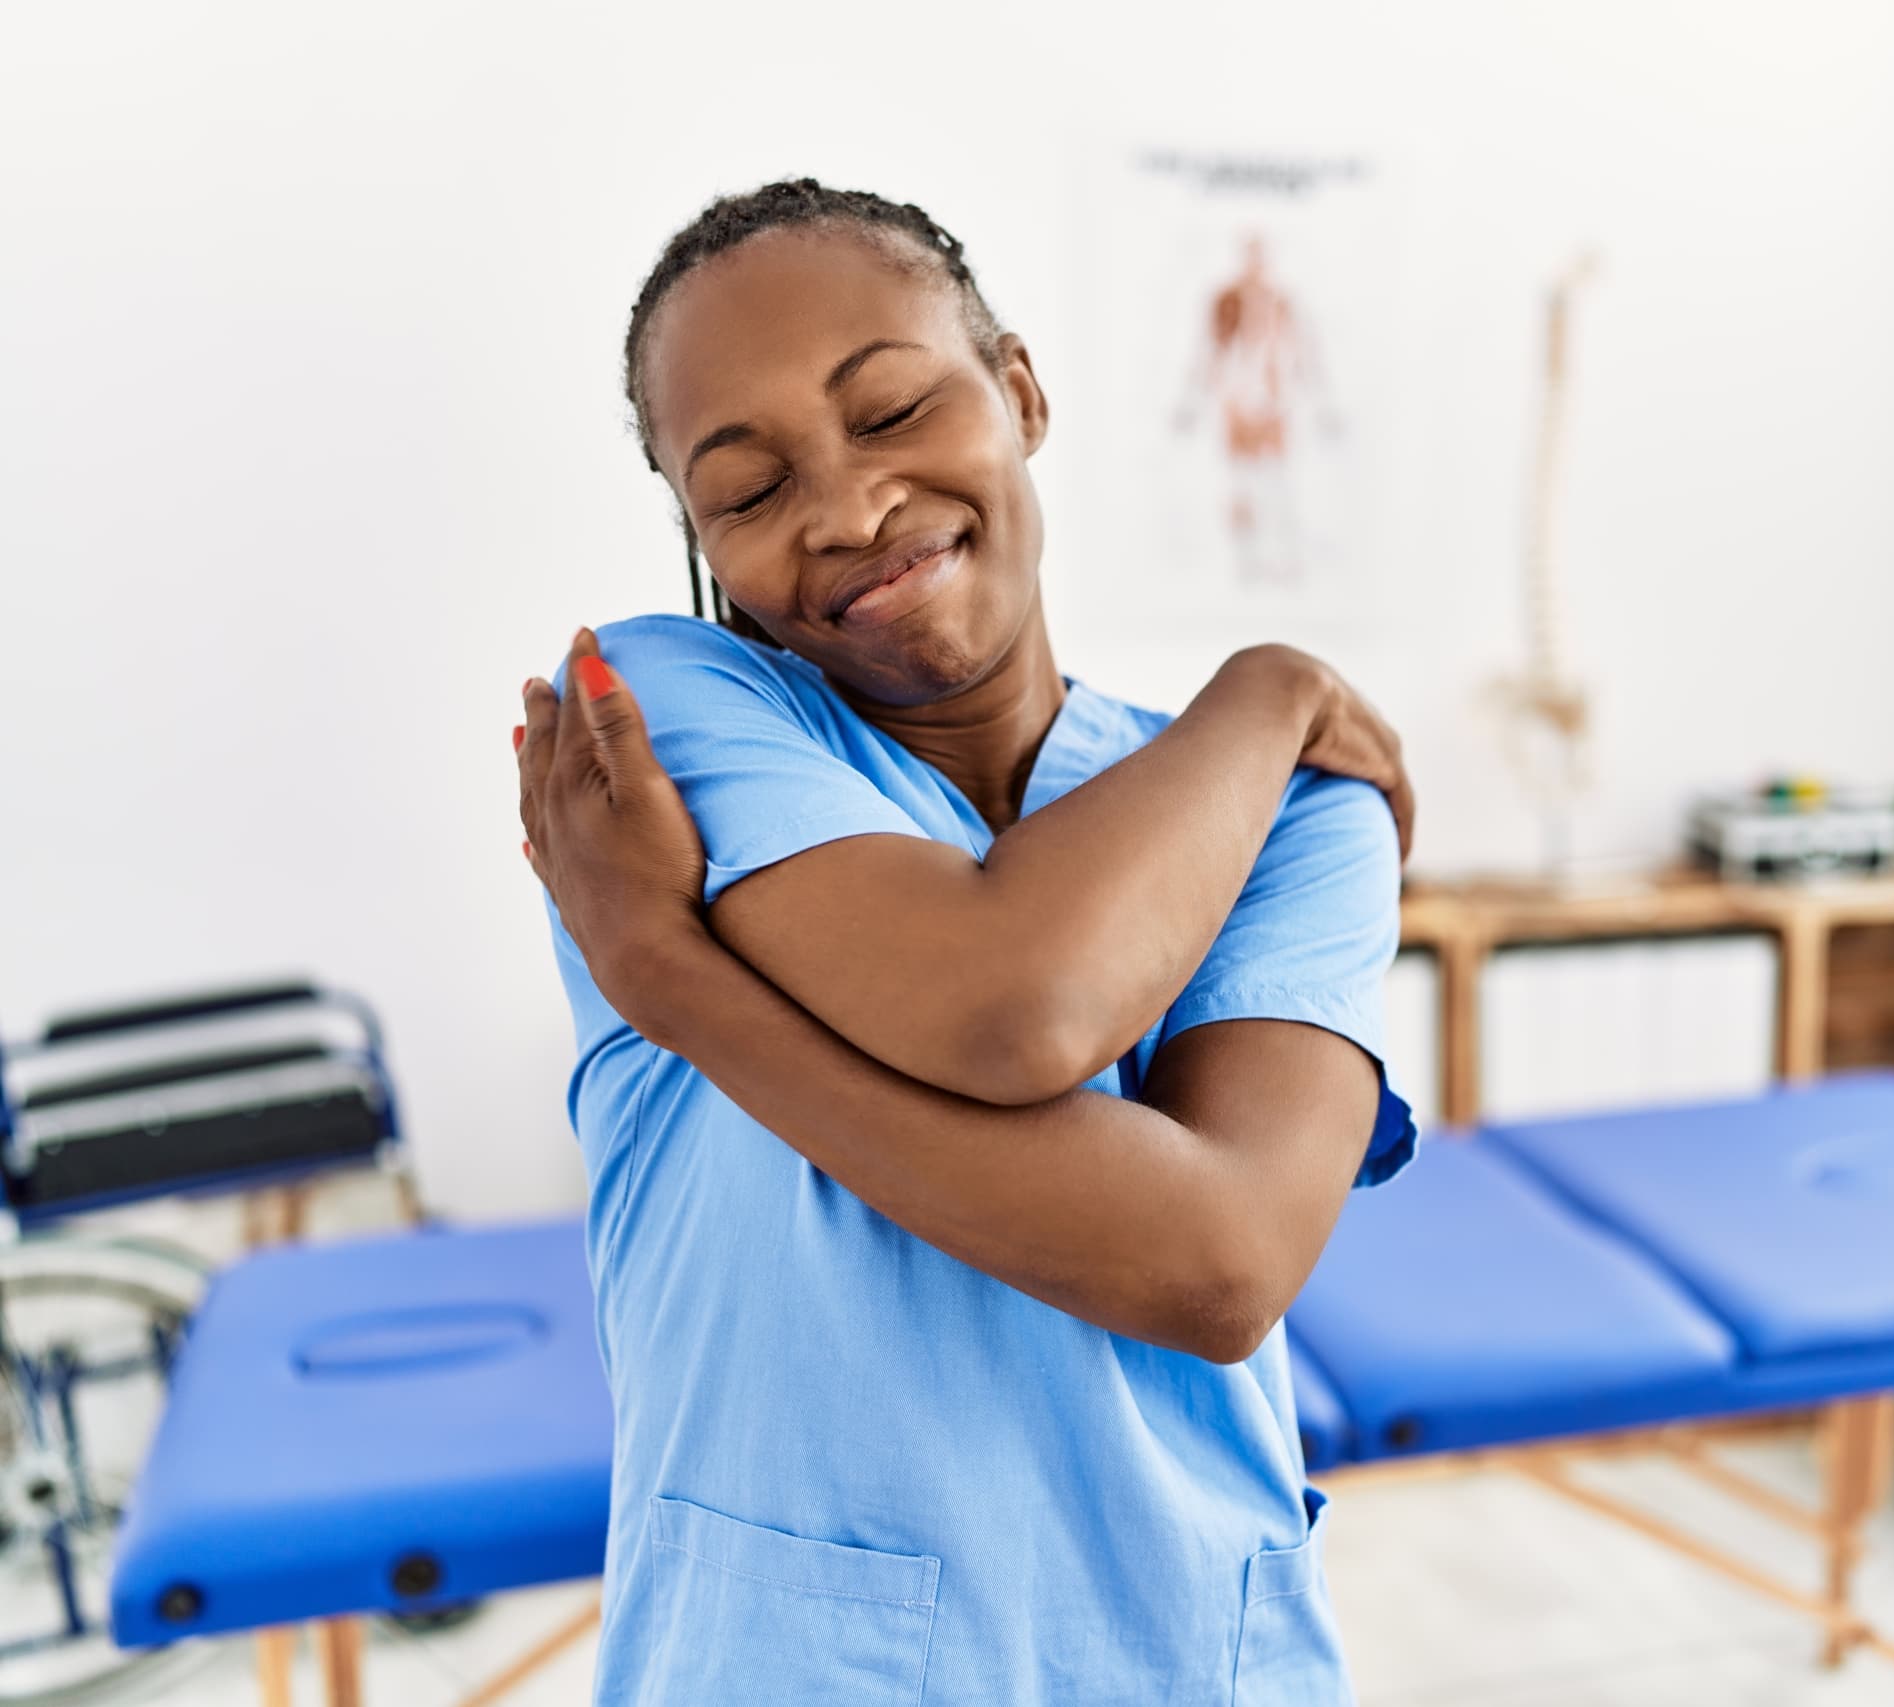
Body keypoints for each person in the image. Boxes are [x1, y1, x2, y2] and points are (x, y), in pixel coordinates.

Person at [511, 179, 1417, 1706]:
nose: (847, 510)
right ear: (703, 545)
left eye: (891, 411)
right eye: (748, 491)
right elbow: (1014, 1004)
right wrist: (1274, 688)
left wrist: (682, 987)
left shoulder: (1297, 803)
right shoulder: (661, 716)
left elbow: (1216, 1265)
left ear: (1020, 392)